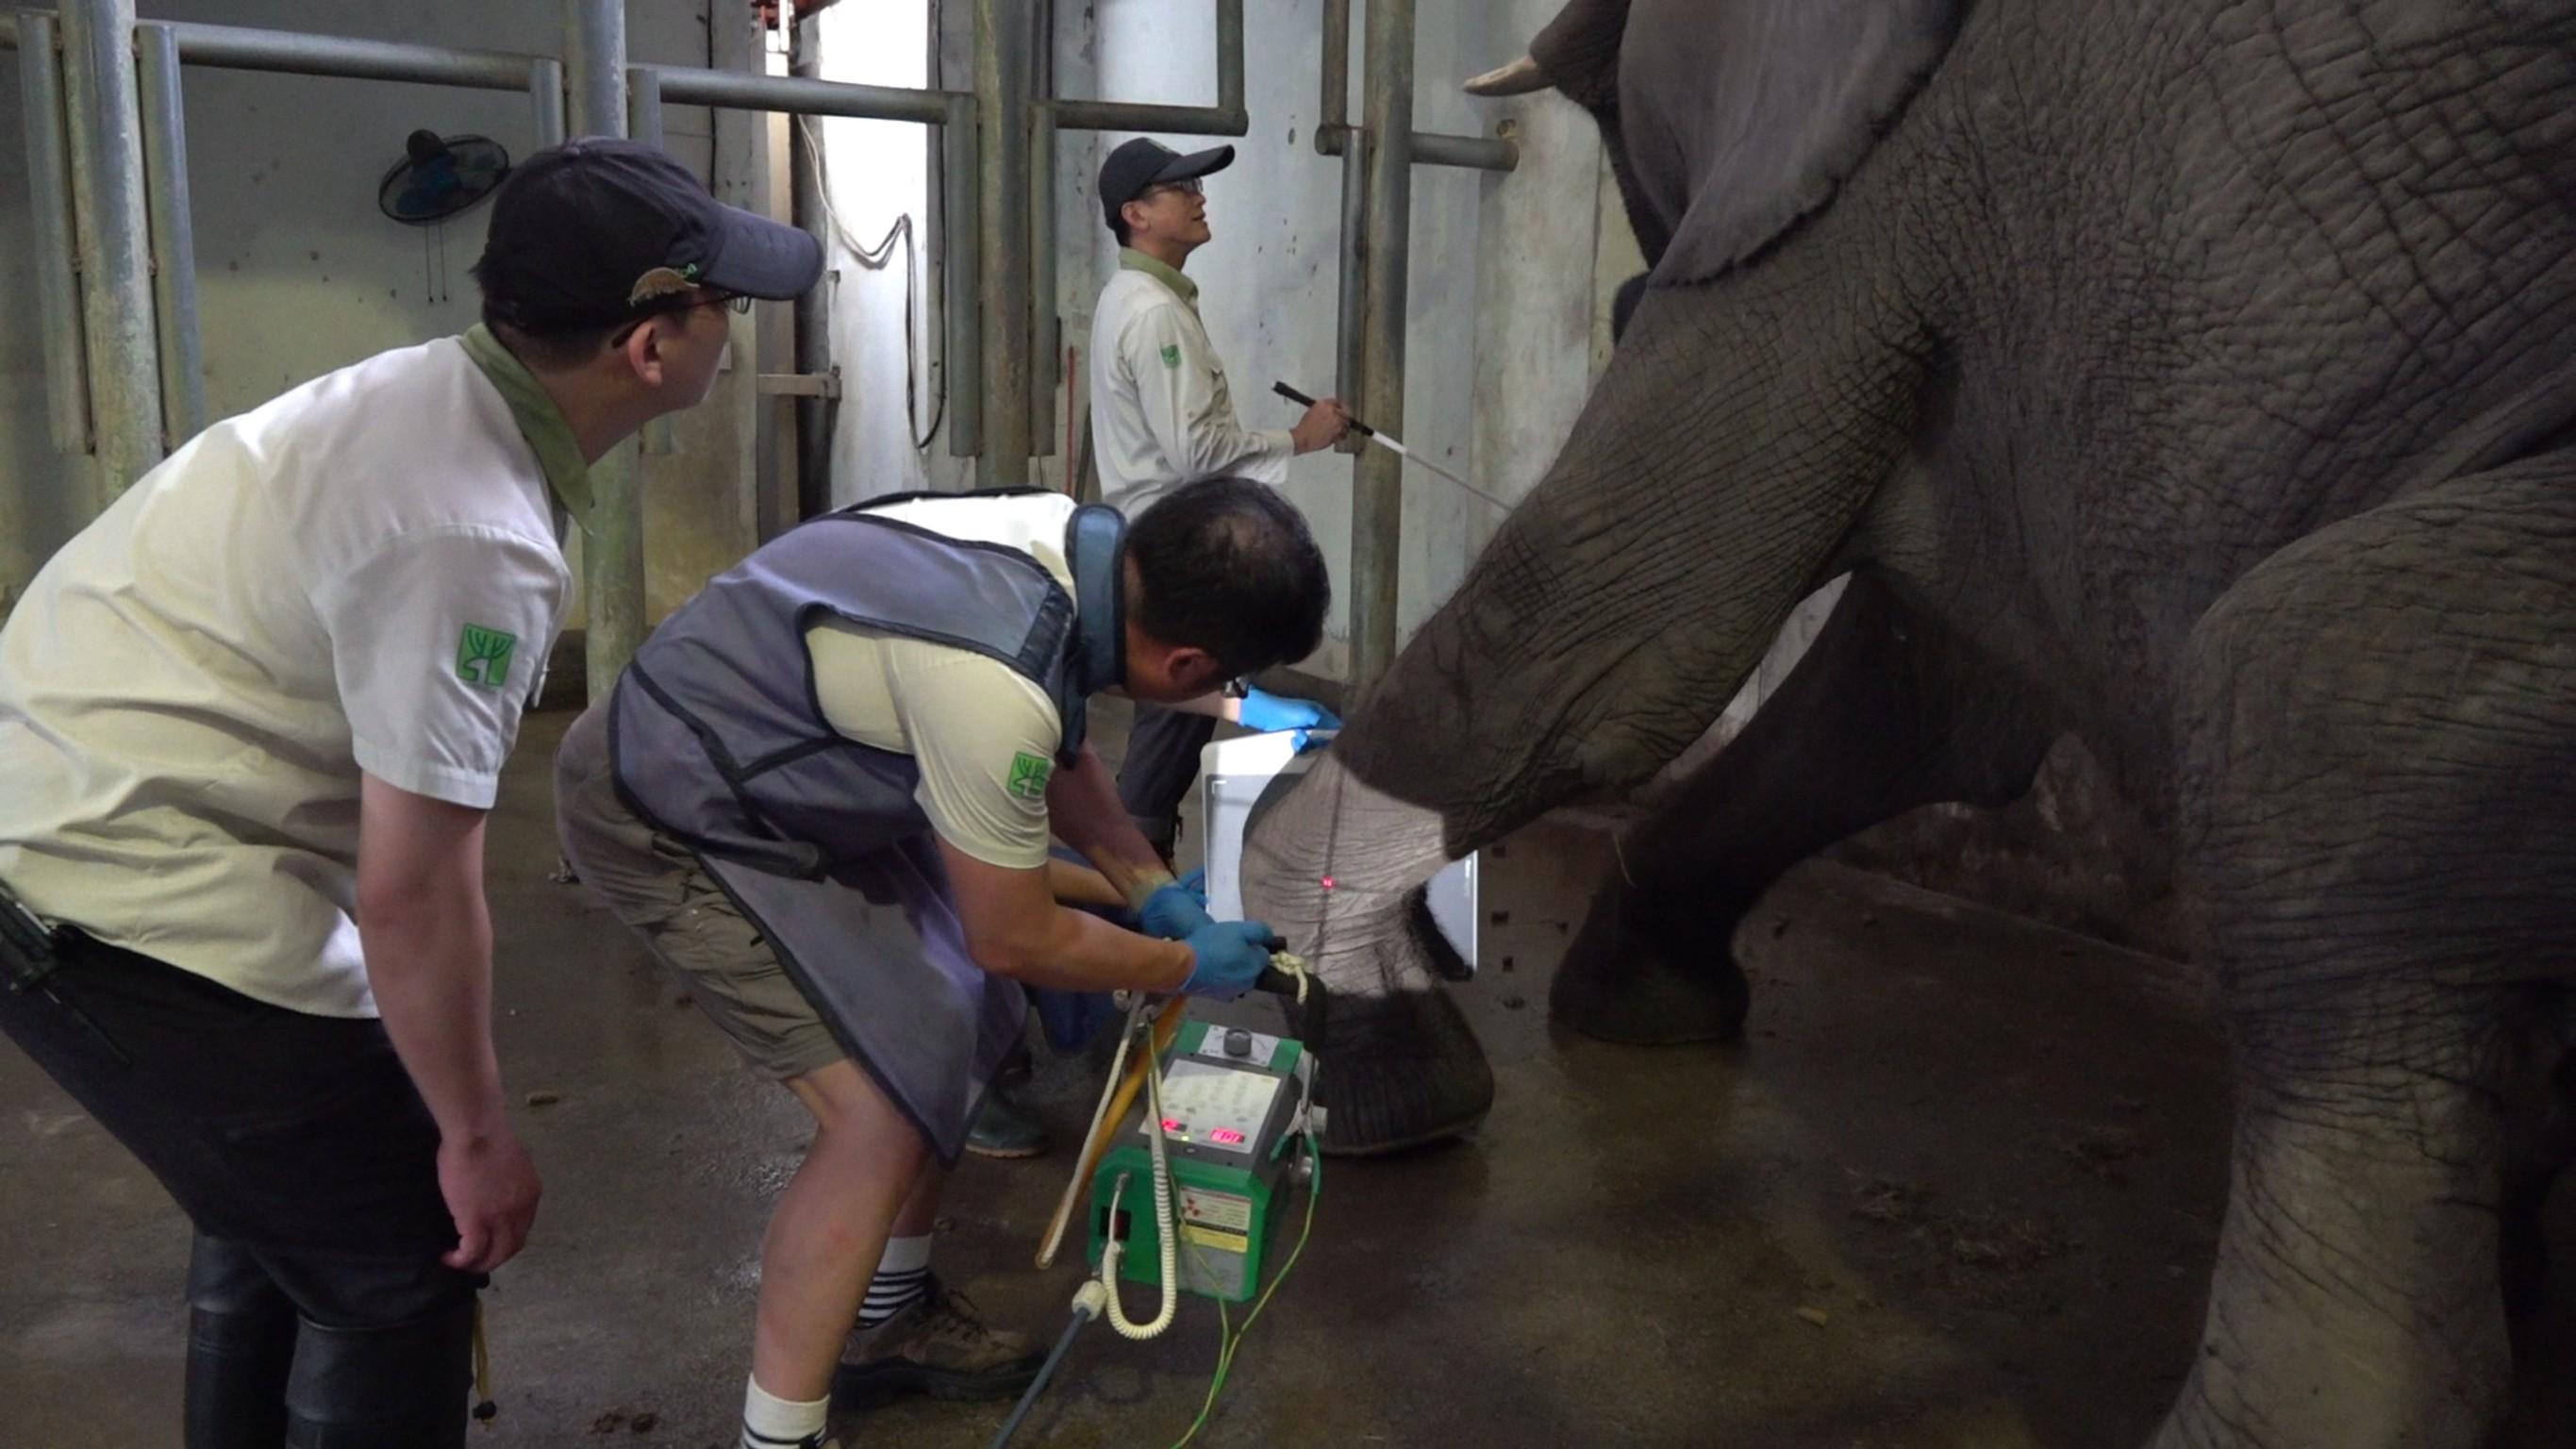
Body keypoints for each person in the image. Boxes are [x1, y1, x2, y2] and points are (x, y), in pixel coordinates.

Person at [0, 139, 821, 1447]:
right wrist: (478, 1135)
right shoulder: (468, 531)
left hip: (66, 811)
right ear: (651, 346)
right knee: (401, 1249)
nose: (730, 325)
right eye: (720, 301)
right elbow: (418, 893)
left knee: (285, 1213)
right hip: (118, 887)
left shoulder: (427, 397)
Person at [552, 477, 1326, 1449]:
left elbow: (1064, 750)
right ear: (1185, 663)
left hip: (809, 773)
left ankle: (889, 1316)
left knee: (955, 1026)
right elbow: (1012, 934)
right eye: (1225, 684)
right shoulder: (992, 675)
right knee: (874, 1118)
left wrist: (1148, 889)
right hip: (672, 801)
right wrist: (1175, 962)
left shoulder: (1068, 550)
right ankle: (777, 1439)